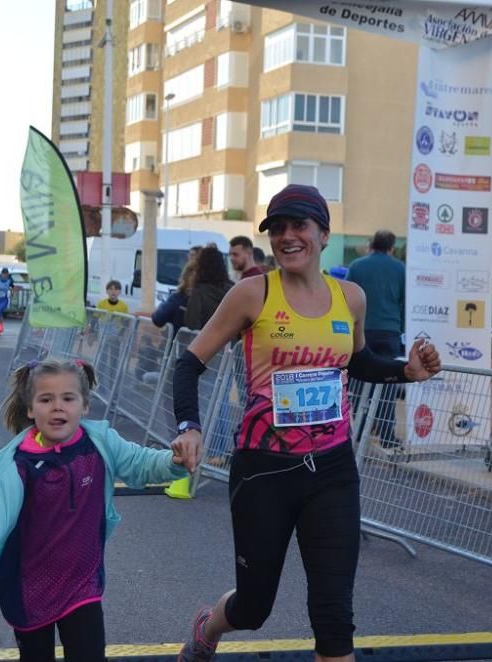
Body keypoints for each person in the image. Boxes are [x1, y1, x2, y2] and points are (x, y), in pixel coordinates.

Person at [167, 184, 441, 661]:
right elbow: (189, 364)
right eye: (278, 228)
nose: (288, 237)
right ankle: (209, 627)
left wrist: (405, 371)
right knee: (254, 608)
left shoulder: (350, 297)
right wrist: (189, 425)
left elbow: (357, 361)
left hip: (332, 470)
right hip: (263, 470)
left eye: (299, 226)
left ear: (323, 234)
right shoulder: (252, 293)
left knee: (334, 617)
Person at [0, 358, 188, 660]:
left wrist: (173, 462)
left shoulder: (99, 443)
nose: (57, 407)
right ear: (30, 409)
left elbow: (140, 463)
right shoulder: (15, 465)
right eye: (46, 399)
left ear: (85, 406)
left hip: (82, 585)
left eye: (68, 398)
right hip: (28, 591)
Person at [346, 230, 406, 448]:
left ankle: (360, 430)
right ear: (391, 247)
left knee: (360, 382)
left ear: (371, 244)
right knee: (387, 384)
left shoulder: (357, 266)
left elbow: (347, 298)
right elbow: (404, 301)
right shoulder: (400, 268)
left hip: (362, 331)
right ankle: (387, 435)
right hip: (389, 331)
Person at [183, 245, 233, 331]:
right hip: (230, 341)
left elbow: (191, 323)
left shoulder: (199, 292)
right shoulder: (233, 288)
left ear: (201, 266)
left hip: (207, 340)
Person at [152, 256, 197, 332]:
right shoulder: (214, 299)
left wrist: (161, 305)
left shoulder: (178, 298)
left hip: (179, 342)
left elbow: (158, 319)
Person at [0, 268, 16, 336]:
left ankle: (1, 327)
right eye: (4, 274)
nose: (5, 275)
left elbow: (13, 288)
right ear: (1, 274)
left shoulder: (9, 281)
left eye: (6, 274)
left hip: (4, 299)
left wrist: (11, 293)